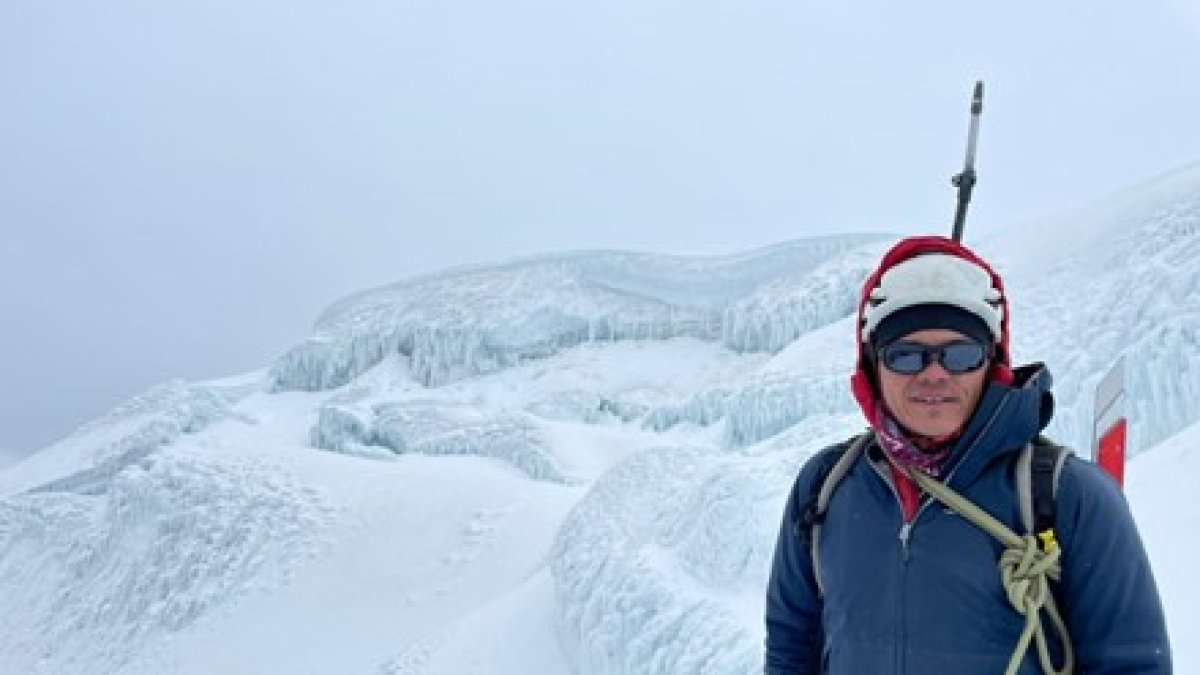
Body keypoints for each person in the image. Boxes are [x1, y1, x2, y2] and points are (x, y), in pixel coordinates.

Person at [764, 235, 1171, 674]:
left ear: (991, 362)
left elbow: (1131, 666)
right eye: (906, 356)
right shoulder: (825, 488)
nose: (934, 374)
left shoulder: (1068, 496)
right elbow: (791, 646)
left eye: (960, 354)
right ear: (872, 368)